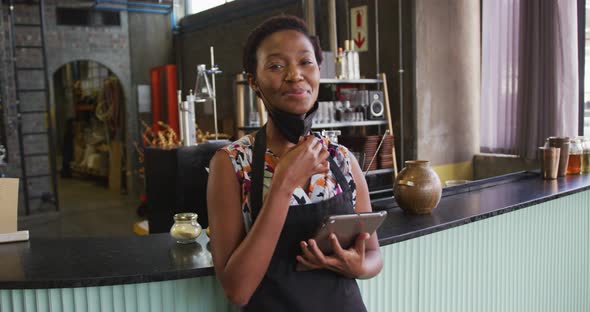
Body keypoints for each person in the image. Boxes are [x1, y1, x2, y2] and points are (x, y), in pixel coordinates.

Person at [207, 15, 383, 311]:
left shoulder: (342, 159)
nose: (294, 75)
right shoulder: (232, 163)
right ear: (254, 81)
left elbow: (374, 255)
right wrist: (283, 184)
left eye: (306, 62)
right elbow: (237, 290)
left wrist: (357, 266)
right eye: (276, 66)